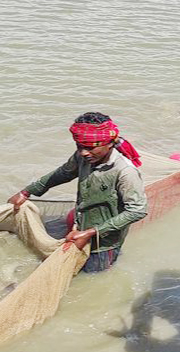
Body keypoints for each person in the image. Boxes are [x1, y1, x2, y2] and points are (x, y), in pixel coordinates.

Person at [7, 112, 147, 272]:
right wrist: (26, 192)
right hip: (81, 227)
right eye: (79, 147)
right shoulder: (84, 157)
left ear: (109, 143)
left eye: (90, 147)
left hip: (104, 242)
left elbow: (137, 210)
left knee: (93, 274)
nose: (83, 153)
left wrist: (91, 233)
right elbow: (64, 173)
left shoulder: (125, 172)